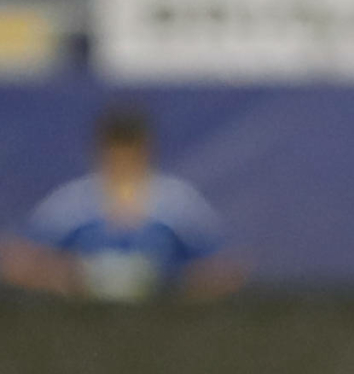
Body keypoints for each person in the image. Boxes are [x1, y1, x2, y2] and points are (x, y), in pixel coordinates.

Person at [1, 109, 240, 304]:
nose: (123, 163)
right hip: (82, 323)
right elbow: (19, 262)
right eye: (115, 153)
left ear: (146, 152)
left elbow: (224, 268)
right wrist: (69, 277)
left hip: (161, 322)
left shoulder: (177, 204)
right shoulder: (72, 204)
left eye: (131, 153)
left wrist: (171, 283)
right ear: (101, 153)